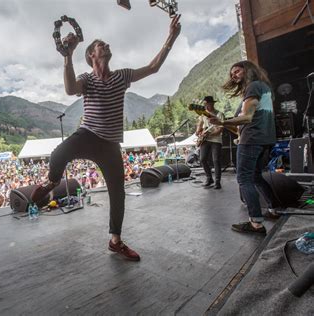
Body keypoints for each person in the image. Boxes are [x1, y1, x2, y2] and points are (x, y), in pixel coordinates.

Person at [31, 15, 182, 261]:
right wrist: (68, 56)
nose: (107, 46)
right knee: (59, 153)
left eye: (106, 44)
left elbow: (153, 68)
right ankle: (51, 182)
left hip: (110, 143)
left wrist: (171, 38)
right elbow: (70, 90)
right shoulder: (87, 79)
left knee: (118, 193)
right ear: (91, 54)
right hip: (88, 134)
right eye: (102, 45)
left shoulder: (122, 76)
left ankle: (115, 241)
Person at [209, 60, 277, 235]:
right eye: (232, 74)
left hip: (252, 139)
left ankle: (256, 223)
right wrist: (226, 125)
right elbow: (245, 122)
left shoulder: (253, 86)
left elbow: (247, 118)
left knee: (244, 179)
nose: (234, 75)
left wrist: (222, 121)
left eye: (237, 71)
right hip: (264, 139)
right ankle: (273, 209)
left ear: (248, 70)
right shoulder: (264, 88)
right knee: (255, 177)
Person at [195, 96, 225, 189]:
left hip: (216, 140)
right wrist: (198, 132)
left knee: (216, 160)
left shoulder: (219, 114)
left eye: (207, 104)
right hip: (205, 140)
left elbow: (220, 130)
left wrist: (209, 135)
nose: (206, 106)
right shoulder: (203, 115)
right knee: (202, 159)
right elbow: (199, 125)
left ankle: (217, 181)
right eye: (205, 104)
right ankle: (209, 178)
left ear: (212, 103)